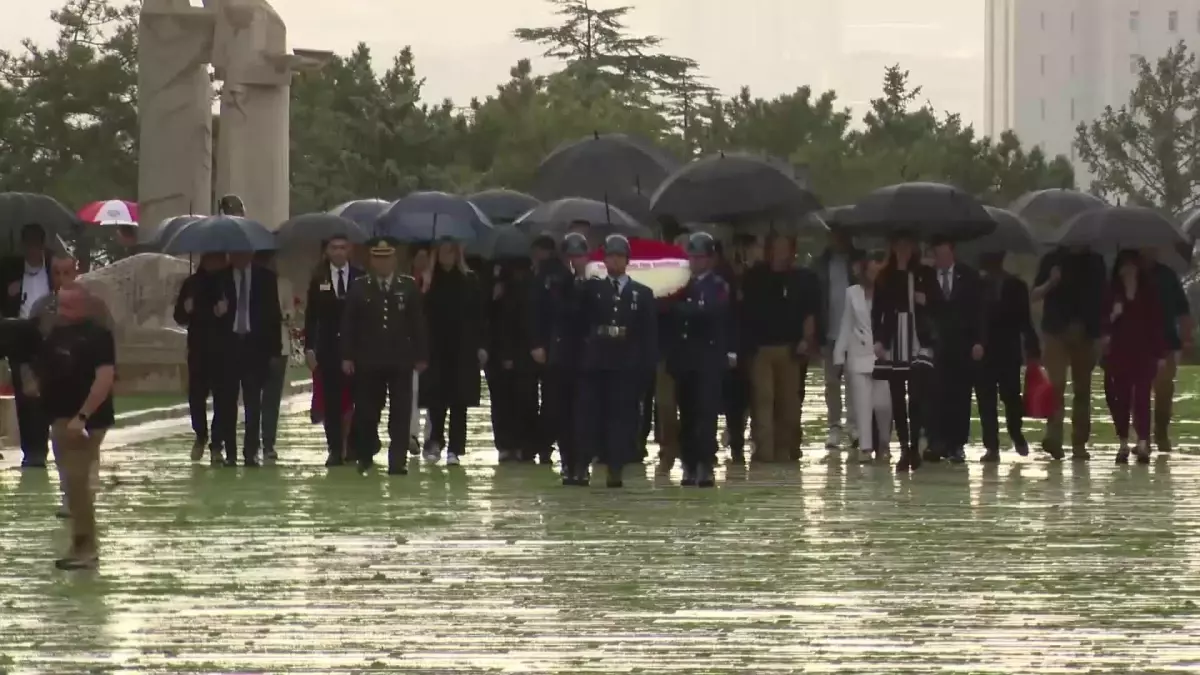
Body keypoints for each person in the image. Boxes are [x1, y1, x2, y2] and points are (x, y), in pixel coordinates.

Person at [32, 283, 117, 570]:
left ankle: (86, 548)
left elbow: (104, 378)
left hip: (85, 421)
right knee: (71, 484)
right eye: (61, 305)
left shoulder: (99, 336)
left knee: (79, 483)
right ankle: (79, 543)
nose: (64, 311)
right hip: (58, 416)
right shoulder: (55, 334)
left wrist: (82, 416)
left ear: (84, 305)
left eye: (70, 305)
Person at [575, 234, 658, 488]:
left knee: (621, 418)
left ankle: (616, 467)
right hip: (597, 363)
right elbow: (577, 316)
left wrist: (645, 369)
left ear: (627, 260)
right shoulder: (593, 289)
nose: (614, 261)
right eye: (609, 256)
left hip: (626, 365)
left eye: (619, 256)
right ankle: (583, 465)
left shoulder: (641, 294)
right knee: (591, 416)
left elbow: (648, 335)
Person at [342, 238, 429, 474]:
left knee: (400, 412)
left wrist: (421, 355)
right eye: (377, 258)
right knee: (368, 412)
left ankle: (397, 461)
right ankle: (366, 455)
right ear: (371, 260)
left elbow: (417, 323)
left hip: (401, 359)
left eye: (387, 258)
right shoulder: (360, 287)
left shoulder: (407, 286)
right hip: (368, 359)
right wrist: (347, 356)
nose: (382, 263)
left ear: (394, 260)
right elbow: (350, 324)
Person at [665, 232, 732, 487]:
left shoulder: (717, 285)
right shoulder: (680, 284)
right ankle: (689, 463)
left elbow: (710, 312)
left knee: (706, 414)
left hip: (708, 359)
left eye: (700, 257)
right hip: (684, 360)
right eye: (691, 256)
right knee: (687, 414)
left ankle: (705, 463)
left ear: (710, 259)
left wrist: (679, 307)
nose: (695, 261)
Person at [742, 234, 814, 463]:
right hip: (760, 348)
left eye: (786, 248)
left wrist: (807, 338)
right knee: (763, 400)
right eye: (777, 248)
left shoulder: (803, 278)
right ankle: (764, 452)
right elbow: (743, 308)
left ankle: (788, 450)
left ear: (793, 251)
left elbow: (809, 312)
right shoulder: (754, 276)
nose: (781, 253)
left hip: (790, 348)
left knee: (789, 403)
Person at [871, 232, 939, 473]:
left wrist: (925, 300)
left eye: (907, 244)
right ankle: (904, 449)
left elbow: (938, 304)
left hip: (918, 337)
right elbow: (877, 312)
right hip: (893, 337)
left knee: (917, 395)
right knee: (897, 396)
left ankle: (914, 445)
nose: (902, 249)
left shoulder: (924, 274)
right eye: (898, 244)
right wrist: (878, 340)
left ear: (913, 246)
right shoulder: (885, 276)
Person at [1032, 244, 1107, 460]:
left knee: (1082, 389)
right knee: (1055, 385)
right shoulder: (1052, 259)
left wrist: (1103, 332)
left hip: (1086, 332)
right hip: (1055, 331)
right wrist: (1051, 282)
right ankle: (1054, 437)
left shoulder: (1096, 261)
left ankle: (1079, 443)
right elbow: (1034, 294)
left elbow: (1103, 296)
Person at [420, 240, 488, 467]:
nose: (447, 256)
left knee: (460, 401)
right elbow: (418, 313)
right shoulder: (428, 281)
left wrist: (481, 346)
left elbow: (480, 316)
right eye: (443, 251)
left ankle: (456, 449)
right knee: (436, 400)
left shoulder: (470, 280)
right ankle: (434, 442)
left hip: (463, 347)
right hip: (436, 347)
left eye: (451, 251)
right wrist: (425, 286)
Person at [213, 251, 283, 467]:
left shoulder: (266, 278)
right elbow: (207, 317)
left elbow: (274, 315)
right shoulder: (219, 278)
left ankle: (251, 451)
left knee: (253, 403)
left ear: (251, 253)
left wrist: (274, 351)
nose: (239, 255)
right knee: (227, 403)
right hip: (228, 348)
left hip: (256, 348)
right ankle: (230, 452)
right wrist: (217, 311)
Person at [531, 232, 590, 485]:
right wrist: (537, 344)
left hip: (586, 355)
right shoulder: (552, 278)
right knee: (560, 411)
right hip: (559, 353)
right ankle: (567, 461)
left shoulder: (593, 280)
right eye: (571, 255)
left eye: (579, 255)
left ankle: (582, 463)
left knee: (584, 412)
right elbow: (540, 311)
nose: (575, 259)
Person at [1102, 250, 1167, 464]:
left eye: (1132, 266)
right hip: (1118, 352)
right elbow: (1101, 324)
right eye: (1124, 267)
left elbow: (1157, 322)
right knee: (1119, 398)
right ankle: (1123, 442)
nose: (1128, 271)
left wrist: (1160, 353)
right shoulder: (1111, 292)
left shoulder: (1149, 291)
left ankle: (1143, 442)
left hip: (1144, 351)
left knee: (1141, 397)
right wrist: (1115, 314)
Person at [303, 235, 363, 466]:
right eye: (333, 248)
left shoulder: (360, 277)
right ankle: (335, 447)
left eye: (342, 247)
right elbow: (312, 316)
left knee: (357, 399)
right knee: (332, 400)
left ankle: (354, 444)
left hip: (356, 348)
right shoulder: (319, 278)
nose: (338, 252)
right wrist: (309, 347)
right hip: (328, 348)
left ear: (349, 250)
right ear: (327, 251)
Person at [975, 251, 1040, 463]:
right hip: (984, 350)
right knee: (986, 400)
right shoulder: (979, 286)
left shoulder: (1016, 286)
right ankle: (992, 446)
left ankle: (1015, 433)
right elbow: (973, 319)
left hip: (1009, 350)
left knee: (1011, 397)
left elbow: (1025, 320)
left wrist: (1033, 348)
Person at [926, 237, 985, 464]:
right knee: (936, 395)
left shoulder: (969, 276)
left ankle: (957, 444)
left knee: (961, 395)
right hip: (935, 344)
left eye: (943, 253)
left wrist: (979, 341)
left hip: (962, 344)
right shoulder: (926, 277)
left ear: (952, 253)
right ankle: (936, 441)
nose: (940, 258)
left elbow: (979, 311)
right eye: (936, 254)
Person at [0, 223, 53, 468]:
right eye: (28, 245)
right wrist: (8, 294)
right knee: (23, 393)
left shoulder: (54, 267)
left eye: (36, 244)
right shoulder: (9, 268)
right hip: (19, 334)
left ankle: (41, 446)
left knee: (43, 393)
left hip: (47, 334)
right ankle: (30, 451)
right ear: (23, 246)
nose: (33, 251)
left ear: (42, 245)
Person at [832, 251, 892, 463]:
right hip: (858, 356)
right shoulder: (852, 293)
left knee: (883, 404)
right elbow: (846, 325)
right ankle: (866, 448)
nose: (874, 274)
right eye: (871, 270)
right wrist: (839, 356)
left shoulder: (886, 293)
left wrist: (885, 343)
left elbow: (891, 322)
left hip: (881, 356)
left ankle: (884, 442)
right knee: (862, 404)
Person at [174, 252, 228, 462]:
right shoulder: (192, 284)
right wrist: (186, 310)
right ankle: (200, 434)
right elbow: (179, 316)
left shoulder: (227, 282)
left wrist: (224, 312)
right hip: (198, 348)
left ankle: (217, 444)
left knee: (222, 399)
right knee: (196, 397)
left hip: (223, 348)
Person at [813, 228, 863, 449]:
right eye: (834, 235)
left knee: (854, 381)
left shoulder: (858, 260)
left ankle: (854, 426)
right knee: (831, 382)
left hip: (854, 331)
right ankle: (834, 425)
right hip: (830, 330)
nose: (838, 239)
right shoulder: (821, 264)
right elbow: (815, 297)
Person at [487, 255, 539, 462]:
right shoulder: (496, 290)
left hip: (522, 357)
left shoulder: (530, 287)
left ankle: (522, 445)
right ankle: (510, 446)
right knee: (504, 403)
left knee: (522, 401)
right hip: (503, 356)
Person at [1141, 249, 1192, 454]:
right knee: (1139, 390)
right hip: (1137, 341)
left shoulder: (1167, 275)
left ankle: (1161, 433)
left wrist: (1187, 335)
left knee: (1164, 390)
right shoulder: (1127, 273)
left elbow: (1182, 308)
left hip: (1167, 341)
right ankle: (1142, 436)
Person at [256, 250, 294, 464]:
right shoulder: (252, 285)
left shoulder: (284, 284)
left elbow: (290, 309)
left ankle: (268, 442)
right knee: (253, 398)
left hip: (279, 347)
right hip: (255, 347)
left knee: (272, 398)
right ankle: (252, 441)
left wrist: (286, 315)